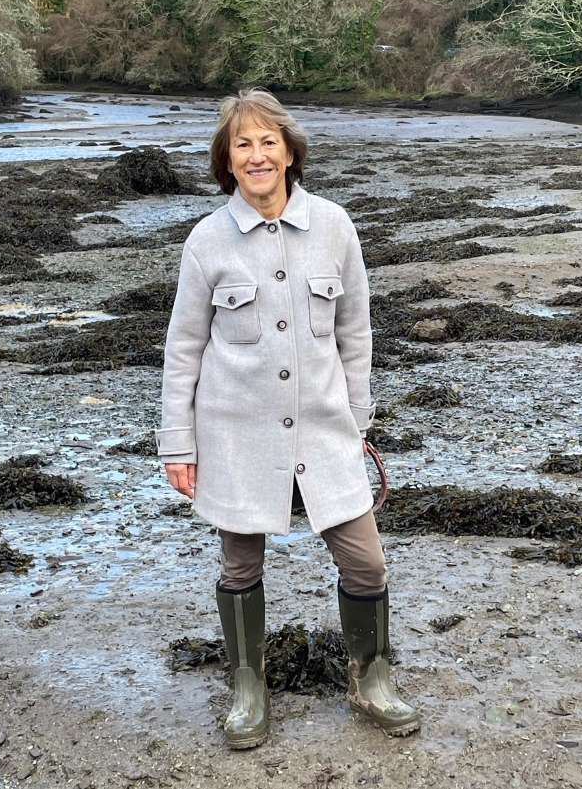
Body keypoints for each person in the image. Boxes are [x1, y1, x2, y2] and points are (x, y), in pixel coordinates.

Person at [156, 89, 420, 748]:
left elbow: (356, 333)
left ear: (290, 151)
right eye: (242, 144)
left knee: (366, 564)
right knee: (239, 564)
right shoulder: (205, 241)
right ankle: (248, 687)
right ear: (227, 160)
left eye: (267, 141)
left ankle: (373, 678)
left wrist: (357, 417)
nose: (257, 155)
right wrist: (176, 443)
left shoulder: (335, 227)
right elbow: (183, 348)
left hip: (327, 430)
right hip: (235, 433)